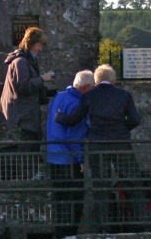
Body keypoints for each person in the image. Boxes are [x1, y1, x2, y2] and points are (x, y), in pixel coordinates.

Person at [58, 65, 145, 230]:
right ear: (113, 80)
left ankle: (105, 226)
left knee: (101, 185)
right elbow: (134, 119)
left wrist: (60, 117)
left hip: (97, 144)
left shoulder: (90, 95)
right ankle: (141, 222)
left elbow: (74, 118)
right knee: (132, 182)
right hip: (120, 144)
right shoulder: (124, 95)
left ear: (96, 81)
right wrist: (122, 129)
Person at [45, 70, 94, 237]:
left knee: (59, 200)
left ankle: (58, 234)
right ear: (87, 87)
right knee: (74, 200)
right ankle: (69, 236)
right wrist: (80, 160)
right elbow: (74, 136)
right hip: (68, 160)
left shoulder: (59, 97)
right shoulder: (77, 104)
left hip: (53, 156)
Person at [0, 27, 54, 142]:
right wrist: (42, 78)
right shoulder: (21, 62)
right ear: (31, 43)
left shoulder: (25, 60)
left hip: (25, 115)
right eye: (39, 45)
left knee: (29, 151)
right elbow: (24, 87)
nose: (40, 49)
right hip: (23, 116)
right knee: (27, 152)